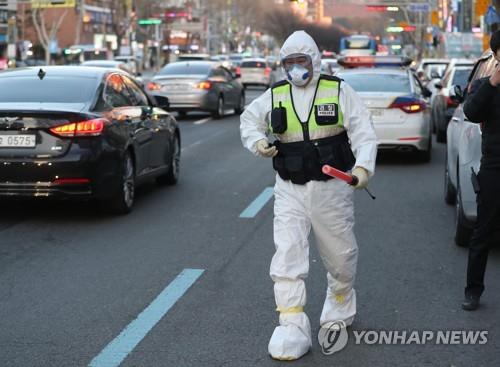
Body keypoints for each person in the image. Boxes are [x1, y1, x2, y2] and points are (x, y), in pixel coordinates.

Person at [240, 31, 378, 360]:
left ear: (314, 61)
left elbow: (363, 131)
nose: (295, 69)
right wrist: (258, 142)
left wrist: (363, 169)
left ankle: (340, 301)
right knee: (287, 255)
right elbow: (248, 121)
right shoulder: (275, 95)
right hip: (290, 189)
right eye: (289, 63)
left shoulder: (338, 90)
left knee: (340, 257)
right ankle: (291, 323)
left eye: (301, 62)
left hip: (332, 189)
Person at [462, 30, 500, 311]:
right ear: (496, 56)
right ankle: (473, 291)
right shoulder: (485, 86)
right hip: (495, 167)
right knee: (483, 231)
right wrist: (493, 84)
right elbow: (471, 113)